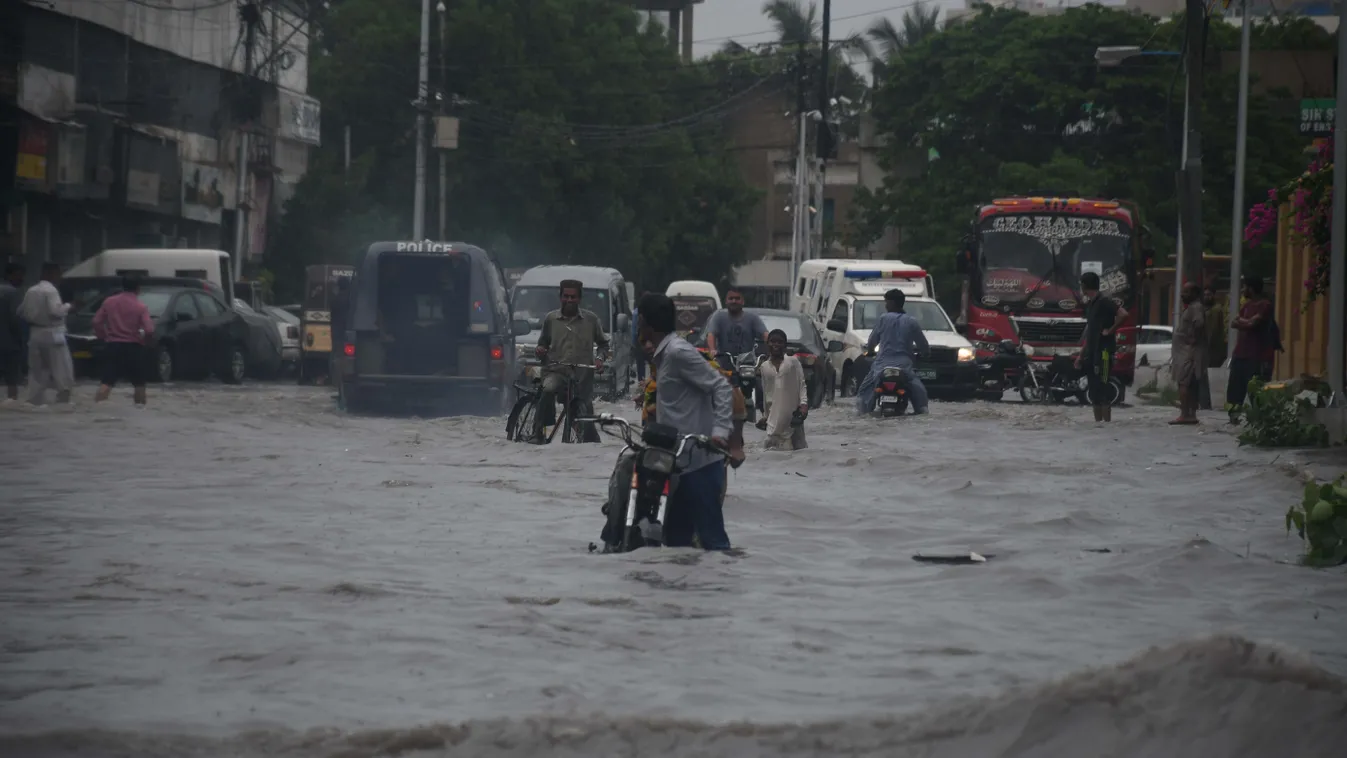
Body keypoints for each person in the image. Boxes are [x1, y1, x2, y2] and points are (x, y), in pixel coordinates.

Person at [639, 292, 733, 550]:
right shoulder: (664, 355)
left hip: (700, 464)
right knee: (676, 544)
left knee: (713, 542)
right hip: (676, 464)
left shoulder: (678, 353)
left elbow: (721, 387)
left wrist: (720, 431)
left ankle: (719, 587)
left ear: (647, 323)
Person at [534, 279, 610, 441]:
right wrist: (540, 351)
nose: (569, 300)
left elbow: (604, 345)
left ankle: (589, 442)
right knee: (548, 390)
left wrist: (599, 359)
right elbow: (542, 344)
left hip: (581, 377)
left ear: (579, 299)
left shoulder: (591, 320)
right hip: (555, 371)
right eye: (566, 296)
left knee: (586, 416)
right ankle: (538, 430)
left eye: (573, 297)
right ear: (560, 297)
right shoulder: (551, 319)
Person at [704, 287, 766, 466]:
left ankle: (764, 415)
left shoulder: (752, 318)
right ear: (726, 301)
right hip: (725, 362)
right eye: (731, 298)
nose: (734, 301)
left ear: (742, 301)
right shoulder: (719, 317)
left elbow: (764, 333)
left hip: (748, 363)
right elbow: (711, 335)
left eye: (737, 298)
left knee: (761, 385)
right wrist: (713, 350)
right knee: (722, 393)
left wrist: (771, 343)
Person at [856, 288, 929, 415]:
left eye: (887, 302)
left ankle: (862, 412)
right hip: (904, 366)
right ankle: (922, 410)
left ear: (893, 303)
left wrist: (871, 351)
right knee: (918, 390)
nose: (885, 305)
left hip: (881, 365)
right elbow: (923, 344)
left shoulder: (883, 319)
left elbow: (872, 340)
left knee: (864, 391)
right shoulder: (912, 322)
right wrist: (925, 354)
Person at [92, 276, 155, 406]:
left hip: (113, 345)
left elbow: (96, 321)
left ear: (123, 286)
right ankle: (140, 411)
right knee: (139, 383)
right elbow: (149, 330)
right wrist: (146, 342)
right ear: (138, 289)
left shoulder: (109, 302)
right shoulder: (140, 307)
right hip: (134, 347)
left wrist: (102, 336)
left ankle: (95, 409)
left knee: (107, 381)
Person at [19, 262, 75, 406]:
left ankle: (35, 402)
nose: (59, 277)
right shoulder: (51, 291)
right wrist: (69, 306)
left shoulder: (30, 290)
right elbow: (55, 311)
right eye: (58, 274)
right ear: (51, 274)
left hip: (35, 334)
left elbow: (20, 312)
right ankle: (63, 403)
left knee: (37, 372)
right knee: (63, 370)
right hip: (53, 333)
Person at [1075, 271, 1128, 423]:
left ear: (1085, 286)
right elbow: (1090, 333)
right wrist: (1081, 355)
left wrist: (1110, 330)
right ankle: (1098, 424)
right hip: (1092, 352)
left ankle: (1107, 422)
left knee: (1103, 386)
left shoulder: (1104, 301)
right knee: (1094, 390)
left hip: (1104, 352)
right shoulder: (1091, 304)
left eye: (1081, 285)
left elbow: (1124, 314)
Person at [1226, 274, 1279, 423]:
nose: (1243, 289)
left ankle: (1260, 421)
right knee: (1234, 390)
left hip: (1257, 356)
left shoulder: (1265, 305)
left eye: (1244, 286)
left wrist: (1244, 323)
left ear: (1251, 288)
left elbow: (1251, 324)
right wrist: (1246, 322)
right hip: (1240, 354)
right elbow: (1234, 323)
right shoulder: (1246, 306)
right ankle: (1234, 417)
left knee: (1256, 391)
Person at [757, 328, 809, 450]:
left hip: (791, 415)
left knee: (798, 450)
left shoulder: (792, 362)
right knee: (772, 448)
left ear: (785, 345)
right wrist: (765, 415)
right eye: (772, 342)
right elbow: (766, 392)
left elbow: (802, 384)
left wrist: (803, 406)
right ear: (767, 344)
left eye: (779, 342)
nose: (776, 345)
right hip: (773, 417)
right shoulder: (764, 367)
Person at [1168, 282, 1206, 426]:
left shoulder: (1195, 307)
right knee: (1188, 383)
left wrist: (1192, 338)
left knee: (1184, 383)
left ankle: (1185, 414)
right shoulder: (1192, 307)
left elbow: (1199, 324)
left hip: (1188, 353)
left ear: (1195, 294)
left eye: (1186, 292)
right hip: (1185, 352)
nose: (1182, 295)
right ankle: (1190, 413)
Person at [1198, 285, 1226, 410]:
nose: (1207, 297)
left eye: (1209, 294)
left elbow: (1214, 331)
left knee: (1208, 376)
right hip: (1203, 348)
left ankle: (1207, 403)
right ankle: (1203, 402)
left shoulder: (1216, 310)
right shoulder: (1202, 310)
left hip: (1213, 349)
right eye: (1205, 295)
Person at [0, 263, 25, 402]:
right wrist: (20, 339)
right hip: (9, 345)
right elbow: (15, 318)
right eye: (18, 275)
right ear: (9, 275)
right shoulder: (13, 293)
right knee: (12, 381)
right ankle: (13, 404)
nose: (21, 278)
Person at [330, 275, 351, 391]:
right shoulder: (352, 299)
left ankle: (338, 382)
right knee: (348, 358)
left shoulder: (335, 299)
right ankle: (346, 380)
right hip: (349, 332)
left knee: (338, 357)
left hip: (337, 333)